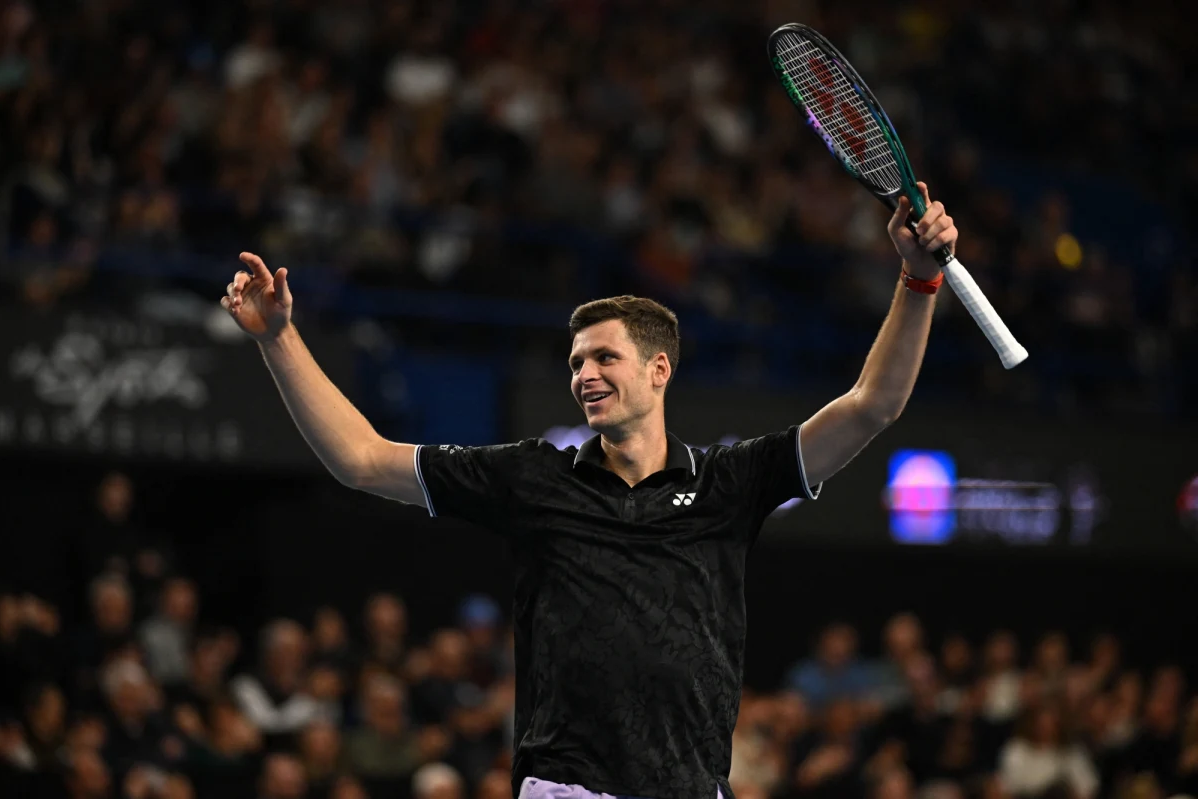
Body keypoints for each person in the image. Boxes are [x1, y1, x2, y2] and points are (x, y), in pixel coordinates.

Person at [219, 183, 959, 799]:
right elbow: (360, 458)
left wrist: (918, 280)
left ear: (659, 368)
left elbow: (873, 404)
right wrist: (278, 338)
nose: (584, 375)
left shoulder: (731, 483)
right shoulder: (534, 477)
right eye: (576, 362)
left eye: (605, 356)